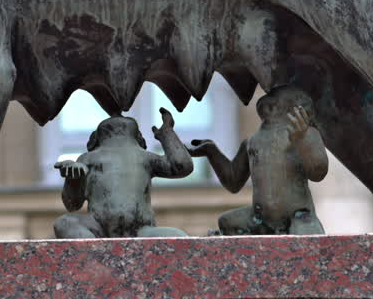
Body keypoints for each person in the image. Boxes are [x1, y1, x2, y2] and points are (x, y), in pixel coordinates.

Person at [187, 85, 328, 235]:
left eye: (275, 102)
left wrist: (302, 141)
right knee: (227, 222)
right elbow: (233, 181)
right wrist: (212, 152)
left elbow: (318, 172)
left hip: (298, 216)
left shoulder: (306, 134)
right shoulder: (252, 142)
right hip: (260, 219)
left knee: (307, 236)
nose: (269, 104)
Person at [53, 108, 192, 238]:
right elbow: (72, 204)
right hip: (97, 227)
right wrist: (74, 180)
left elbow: (182, 166)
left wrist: (167, 133)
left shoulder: (144, 157)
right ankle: (93, 253)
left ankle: (95, 252)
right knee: (64, 223)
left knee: (179, 238)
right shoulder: (88, 158)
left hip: (142, 231)